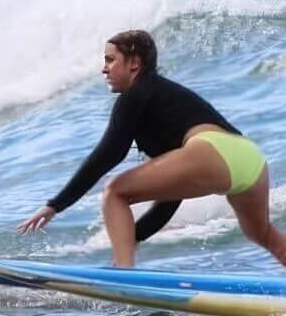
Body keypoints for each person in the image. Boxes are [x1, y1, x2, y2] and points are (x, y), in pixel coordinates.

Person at [19, 30, 286, 267]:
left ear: (134, 64)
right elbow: (171, 197)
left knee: (115, 192)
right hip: (249, 158)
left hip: (211, 150)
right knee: (262, 234)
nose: (104, 69)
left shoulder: (134, 96)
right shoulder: (163, 100)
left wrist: (55, 205)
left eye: (110, 60)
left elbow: (107, 156)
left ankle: (123, 279)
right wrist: (134, 236)